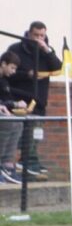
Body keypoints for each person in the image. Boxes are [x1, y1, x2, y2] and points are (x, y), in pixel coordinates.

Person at [3, 21, 61, 178]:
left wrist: (47, 50)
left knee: (37, 132)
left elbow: (57, 68)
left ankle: (31, 161)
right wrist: (26, 74)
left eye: (42, 35)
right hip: (20, 98)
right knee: (18, 131)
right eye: (36, 35)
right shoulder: (16, 49)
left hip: (39, 99)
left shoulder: (46, 51)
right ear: (28, 33)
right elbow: (9, 72)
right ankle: (14, 163)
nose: (38, 39)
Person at [0, 52, 27, 183]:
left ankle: (7, 164)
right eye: (12, 67)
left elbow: (5, 100)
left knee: (18, 123)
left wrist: (11, 106)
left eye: (15, 69)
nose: (14, 71)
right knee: (8, 123)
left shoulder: (4, 81)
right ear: (3, 64)